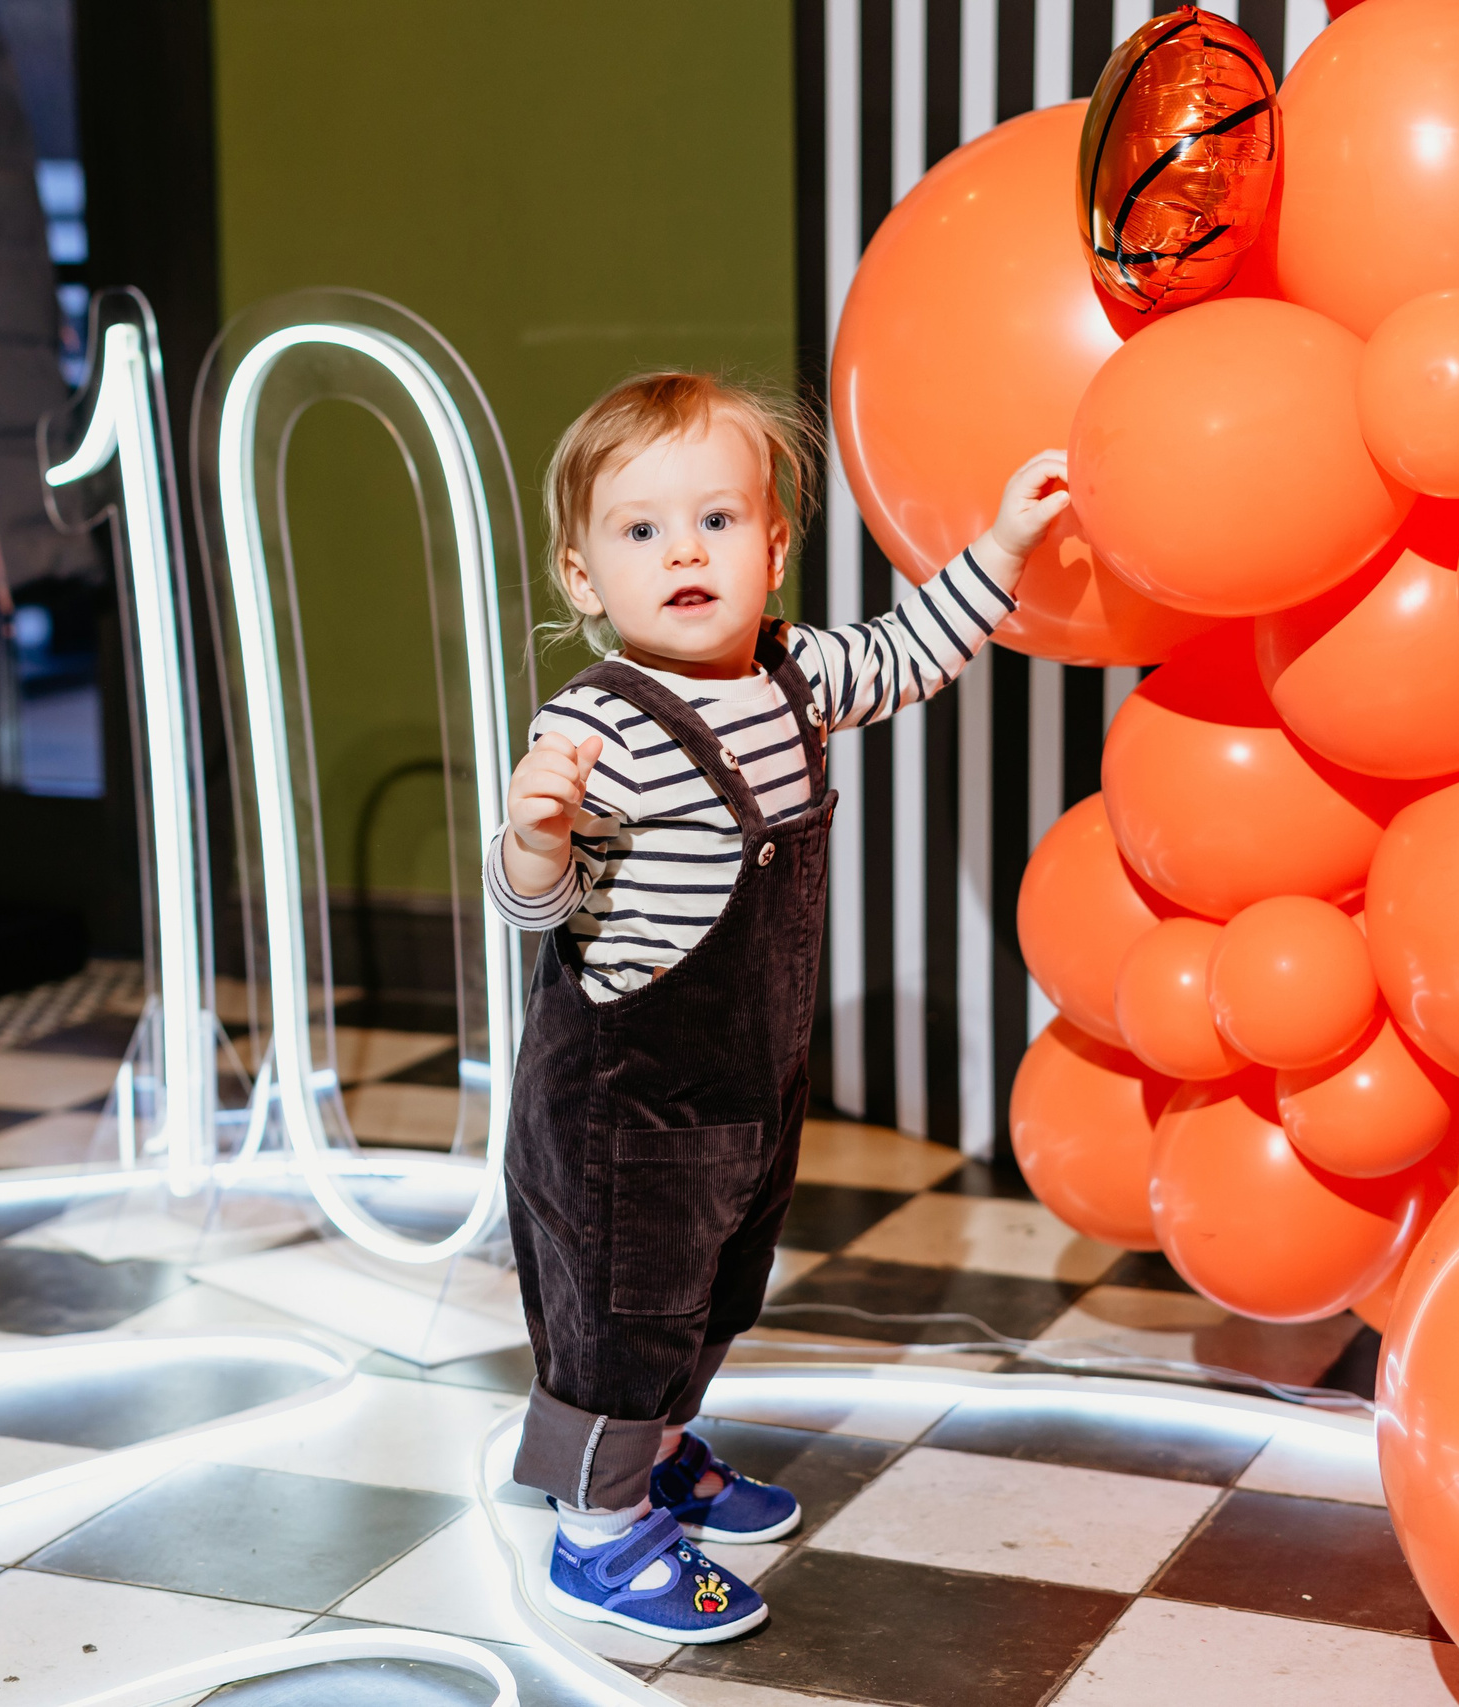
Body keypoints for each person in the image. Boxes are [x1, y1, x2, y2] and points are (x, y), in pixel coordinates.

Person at [487, 370, 1071, 1642]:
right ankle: (595, 1529)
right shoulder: (600, 725)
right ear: (584, 579)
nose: (682, 551)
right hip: (626, 1105)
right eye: (639, 532)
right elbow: (538, 906)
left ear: (774, 547)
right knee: (623, 1311)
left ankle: (665, 1450)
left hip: (748, 1081)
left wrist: (1005, 544)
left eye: (715, 520)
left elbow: (915, 652)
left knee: (712, 1284)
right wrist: (535, 832)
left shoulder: (796, 675)